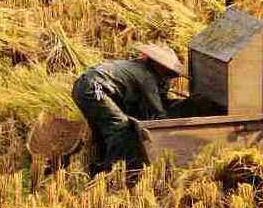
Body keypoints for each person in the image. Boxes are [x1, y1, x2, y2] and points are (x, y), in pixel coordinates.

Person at [71, 44, 184, 178]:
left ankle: (97, 166)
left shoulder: (137, 66)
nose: (167, 76)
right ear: (158, 65)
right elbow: (158, 112)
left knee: (103, 129)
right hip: (94, 89)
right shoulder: (146, 77)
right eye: (167, 72)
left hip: (82, 86)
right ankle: (111, 172)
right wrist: (176, 134)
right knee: (120, 126)